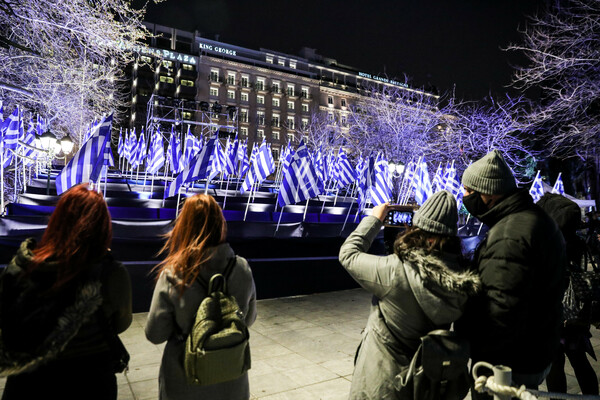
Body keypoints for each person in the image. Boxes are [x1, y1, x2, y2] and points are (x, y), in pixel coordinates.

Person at [339, 190, 480, 399]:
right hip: (425, 383)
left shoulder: (395, 270)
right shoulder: (463, 280)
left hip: (381, 382)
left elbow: (348, 255)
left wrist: (374, 219)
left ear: (424, 235)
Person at [0, 183, 132, 400]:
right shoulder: (110, 273)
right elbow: (121, 323)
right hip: (89, 380)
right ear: (102, 226)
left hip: (28, 381)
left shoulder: (21, 266)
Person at [455, 150, 566, 396]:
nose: (463, 197)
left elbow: (501, 310)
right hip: (530, 349)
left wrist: (475, 351)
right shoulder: (528, 219)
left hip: (507, 362)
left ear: (488, 193)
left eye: (468, 191)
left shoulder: (510, 233)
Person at [145, 194, 257, 400]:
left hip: (185, 381)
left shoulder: (174, 273)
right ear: (220, 223)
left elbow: (155, 333)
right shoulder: (241, 268)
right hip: (231, 379)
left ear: (184, 226)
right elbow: (248, 320)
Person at [538, 193, 599, 397]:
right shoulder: (576, 242)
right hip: (575, 315)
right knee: (580, 361)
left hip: (553, 315)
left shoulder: (547, 244)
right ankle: (592, 397)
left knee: (555, 366)